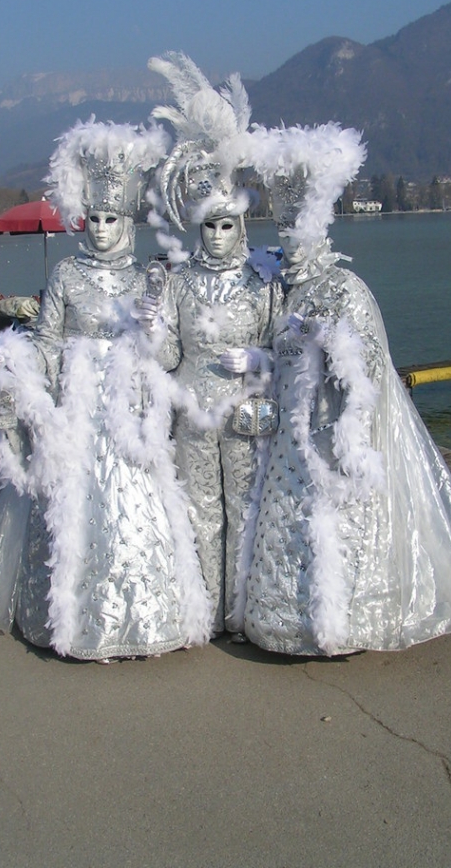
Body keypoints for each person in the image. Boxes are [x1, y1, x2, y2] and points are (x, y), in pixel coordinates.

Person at [0, 118, 212, 660]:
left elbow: (170, 357)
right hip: (79, 410)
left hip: (129, 409)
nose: (101, 229)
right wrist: (31, 384)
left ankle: (142, 619)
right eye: (94, 219)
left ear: (127, 221)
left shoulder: (150, 279)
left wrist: (153, 330)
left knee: (136, 508)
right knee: (72, 507)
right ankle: (73, 620)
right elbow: (49, 340)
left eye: (111, 219)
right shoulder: (67, 278)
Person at [242, 123, 451, 656]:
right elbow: (276, 356)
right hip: (289, 441)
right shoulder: (284, 289)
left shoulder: (346, 287)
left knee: (339, 528)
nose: (289, 239)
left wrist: (327, 342)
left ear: (320, 224)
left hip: (333, 437)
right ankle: (288, 622)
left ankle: (347, 622)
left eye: (298, 227)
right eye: (282, 228)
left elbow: (369, 366)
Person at [147, 53, 283, 638]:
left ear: (243, 225)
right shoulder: (177, 281)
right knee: (201, 511)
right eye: (210, 225)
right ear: (197, 225)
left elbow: (284, 353)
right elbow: (167, 354)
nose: (220, 234)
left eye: (229, 224)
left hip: (249, 413)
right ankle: (205, 612)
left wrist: (258, 360)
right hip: (194, 412)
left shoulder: (262, 280)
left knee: (248, 508)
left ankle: (244, 608)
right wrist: (151, 325)